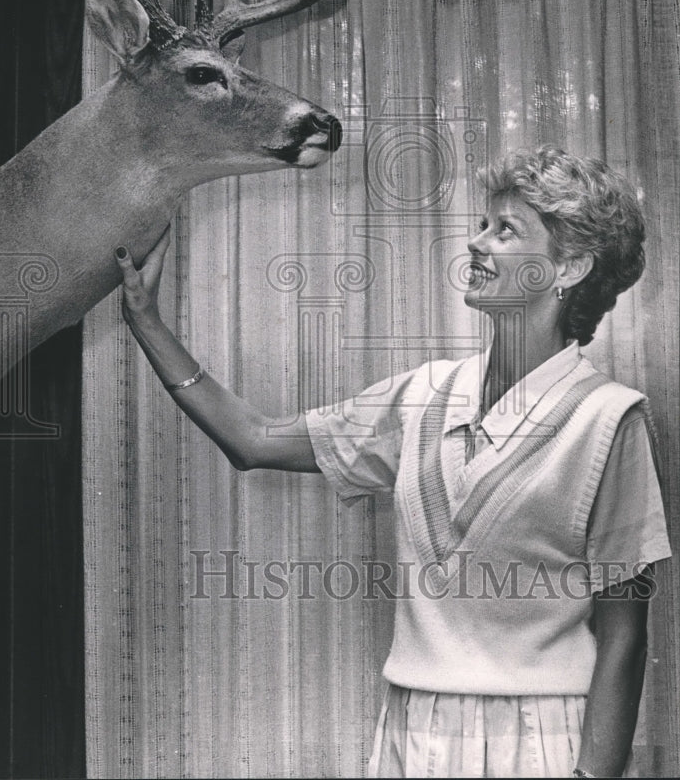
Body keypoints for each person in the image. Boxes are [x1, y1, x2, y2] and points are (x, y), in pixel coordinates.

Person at [114, 145, 671, 779]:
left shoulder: (612, 418)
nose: (476, 242)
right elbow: (255, 440)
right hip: (413, 732)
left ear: (568, 266)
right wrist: (146, 321)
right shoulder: (423, 396)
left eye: (505, 229)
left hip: (544, 741)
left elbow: (625, 636)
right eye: (483, 223)